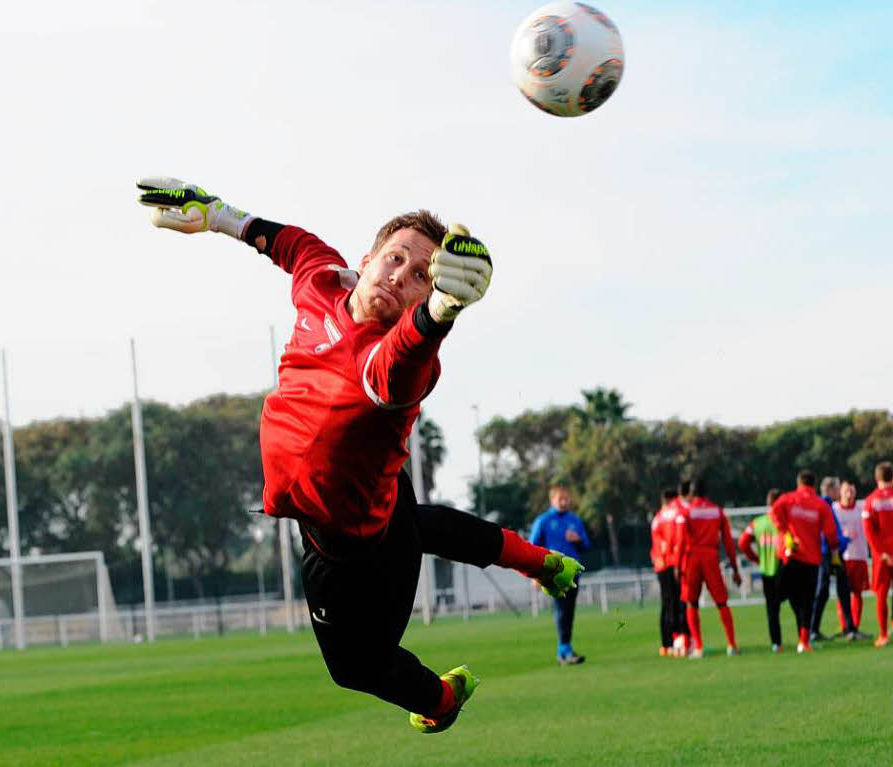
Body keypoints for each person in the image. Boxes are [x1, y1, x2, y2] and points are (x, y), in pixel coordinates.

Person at [136, 178, 583, 734]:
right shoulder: (322, 281)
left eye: (422, 275)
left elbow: (404, 356)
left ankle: (442, 700)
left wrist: (443, 309)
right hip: (369, 500)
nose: (400, 276)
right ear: (366, 260)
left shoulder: (396, 360)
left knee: (355, 667)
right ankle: (542, 563)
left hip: (360, 554)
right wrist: (218, 215)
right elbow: (294, 245)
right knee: (420, 524)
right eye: (395, 259)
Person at [770, 470, 839, 653]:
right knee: (807, 601)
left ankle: (776, 642)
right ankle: (804, 641)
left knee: (778, 598)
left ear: (799, 483)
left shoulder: (787, 499)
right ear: (814, 485)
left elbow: (774, 513)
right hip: (811, 560)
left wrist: (784, 531)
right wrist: (834, 552)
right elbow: (831, 534)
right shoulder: (820, 505)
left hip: (791, 557)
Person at [674, 477, 742, 658]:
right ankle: (732, 645)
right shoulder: (717, 511)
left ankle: (699, 648)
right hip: (711, 558)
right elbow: (728, 543)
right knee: (722, 602)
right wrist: (735, 569)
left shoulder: (686, 512)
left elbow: (680, 541)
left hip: (692, 559)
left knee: (691, 603)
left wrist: (677, 565)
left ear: (692, 493)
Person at [530, 485, 591, 665]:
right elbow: (532, 547)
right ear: (552, 500)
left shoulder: (575, 521)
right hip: (553, 574)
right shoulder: (544, 521)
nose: (564, 502)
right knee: (562, 610)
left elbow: (586, 545)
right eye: (560, 499)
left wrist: (578, 540)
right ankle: (564, 650)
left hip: (573, 574)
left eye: (567, 498)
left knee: (568, 611)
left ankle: (565, 649)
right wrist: (535, 575)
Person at [737, 489, 785, 651]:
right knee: (798, 605)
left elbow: (743, 543)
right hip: (785, 569)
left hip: (766, 570)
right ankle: (804, 639)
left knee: (772, 610)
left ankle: (776, 644)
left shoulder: (757, 523)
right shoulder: (786, 521)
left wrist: (756, 558)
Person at [808, 476, 851, 642]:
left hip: (831, 552)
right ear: (831, 490)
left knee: (839, 589)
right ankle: (813, 629)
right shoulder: (824, 505)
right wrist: (844, 541)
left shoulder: (826, 505)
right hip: (829, 553)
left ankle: (848, 627)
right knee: (824, 590)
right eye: (837, 489)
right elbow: (828, 533)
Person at [832, 480, 870, 640]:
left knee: (858, 593)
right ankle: (845, 626)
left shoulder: (861, 509)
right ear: (840, 492)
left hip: (859, 555)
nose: (849, 493)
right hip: (842, 557)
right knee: (843, 593)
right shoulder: (834, 509)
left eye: (852, 491)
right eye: (847, 490)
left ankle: (855, 626)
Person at [862, 461, 893, 647]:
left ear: (876, 478)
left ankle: (883, 635)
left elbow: (869, 531)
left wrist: (882, 553)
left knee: (881, 595)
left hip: (881, 556)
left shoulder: (870, 501)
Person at [650, 489, 682, 656]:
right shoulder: (674, 516)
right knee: (677, 603)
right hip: (672, 563)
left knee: (666, 603)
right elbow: (675, 540)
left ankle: (666, 644)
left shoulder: (657, 518)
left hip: (660, 565)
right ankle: (678, 642)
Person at [668, 480, 693, 655]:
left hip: (668, 561)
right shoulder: (683, 511)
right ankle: (686, 641)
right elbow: (680, 539)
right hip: (682, 561)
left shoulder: (668, 510)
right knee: (685, 601)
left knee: (673, 602)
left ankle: (676, 641)